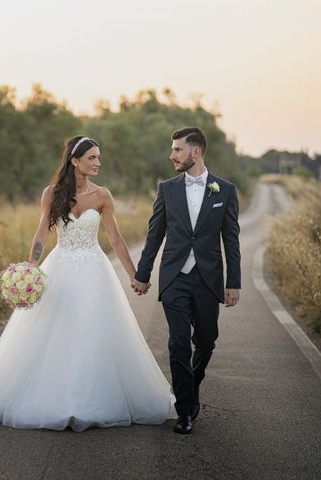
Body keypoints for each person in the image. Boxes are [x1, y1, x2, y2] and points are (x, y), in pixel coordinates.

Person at [0, 135, 176, 431]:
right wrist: (30, 269)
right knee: (53, 329)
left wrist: (134, 275)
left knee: (92, 330)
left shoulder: (102, 196)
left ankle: (88, 398)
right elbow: (42, 233)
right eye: (92, 157)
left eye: (98, 157)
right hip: (60, 266)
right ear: (75, 161)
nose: (98, 163)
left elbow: (116, 239)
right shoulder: (51, 193)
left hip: (94, 269)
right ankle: (51, 396)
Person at [133, 127, 241, 435]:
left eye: (177, 150)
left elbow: (231, 240)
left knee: (206, 341)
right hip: (174, 278)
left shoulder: (225, 190)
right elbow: (154, 235)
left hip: (208, 279)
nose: (172, 156)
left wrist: (234, 281)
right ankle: (184, 411)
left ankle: (193, 384)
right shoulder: (166, 189)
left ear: (195, 152)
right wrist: (143, 275)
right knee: (178, 343)